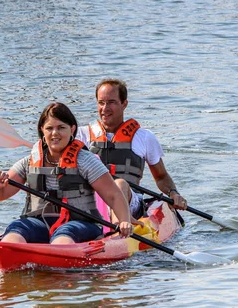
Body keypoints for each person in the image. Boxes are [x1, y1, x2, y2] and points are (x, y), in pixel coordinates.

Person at [0, 102, 132, 245]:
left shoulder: (85, 160)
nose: (55, 133)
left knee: (64, 234)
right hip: (40, 223)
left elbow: (113, 196)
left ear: (72, 129)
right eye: (49, 128)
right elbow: (0, 195)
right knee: (16, 228)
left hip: (79, 224)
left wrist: (124, 220)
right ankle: (10, 255)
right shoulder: (29, 161)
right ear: (42, 130)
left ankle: (55, 262)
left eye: (61, 127)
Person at [76, 78, 188, 220]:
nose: (105, 109)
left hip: (130, 201)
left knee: (120, 184)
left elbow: (161, 177)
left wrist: (173, 193)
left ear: (124, 104)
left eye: (111, 102)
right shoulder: (80, 136)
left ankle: (119, 231)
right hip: (93, 201)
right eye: (101, 103)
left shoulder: (144, 137)